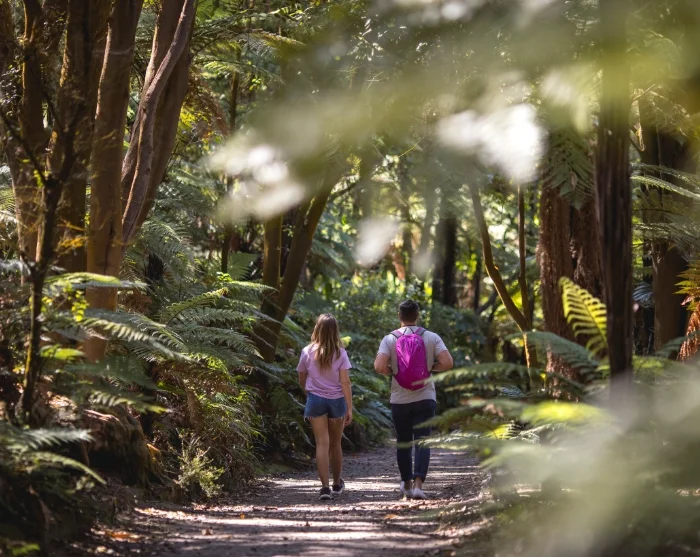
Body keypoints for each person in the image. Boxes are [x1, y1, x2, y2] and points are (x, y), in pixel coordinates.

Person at [374, 300, 453, 500]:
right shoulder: (431, 337)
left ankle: (407, 485)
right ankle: (418, 485)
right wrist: (429, 368)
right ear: (417, 315)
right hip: (425, 397)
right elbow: (447, 363)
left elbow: (379, 367)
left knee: (403, 442)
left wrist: (394, 371)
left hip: (399, 399)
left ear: (399, 316)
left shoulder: (390, 338)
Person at [297, 313, 353, 500]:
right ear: (336, 331)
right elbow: (345, 382)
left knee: (321, 443)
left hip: (315, 400)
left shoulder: (307, 351)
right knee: (335, 444)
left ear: (317, 329)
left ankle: (325, 488)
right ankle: (337, 484)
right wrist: (349, 408)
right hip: (337, 401)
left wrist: (309, 393)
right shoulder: (340, 353)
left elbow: (301, 378)